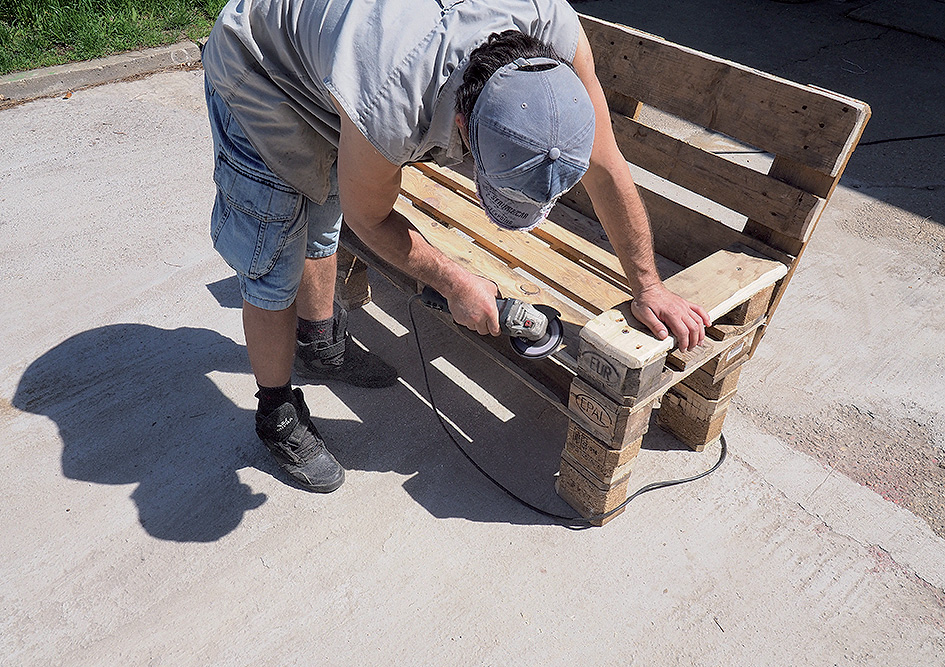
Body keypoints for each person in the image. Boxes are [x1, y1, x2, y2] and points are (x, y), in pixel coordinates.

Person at [201, 0, 711, 494]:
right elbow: (370, 217)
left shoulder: (553, 27)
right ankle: (275, 412)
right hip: (261, 72)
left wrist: (648, 286)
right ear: (463, 126)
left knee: (324, 208)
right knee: (273, 260)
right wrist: (453, 280)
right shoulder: (392, 99)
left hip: (334, 63)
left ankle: (316, 346)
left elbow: (607, 164)